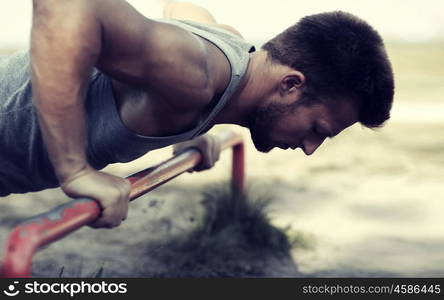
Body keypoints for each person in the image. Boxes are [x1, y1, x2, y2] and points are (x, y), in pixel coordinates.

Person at [0, 0, 394, 228]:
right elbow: (67, 5)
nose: (310, 148)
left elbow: (183, 9)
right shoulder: (196, 76)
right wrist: (75, 170)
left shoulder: (226, 56)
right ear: (291, 85)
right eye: (317, 129)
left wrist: (193, 128)